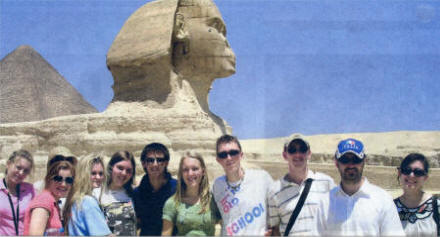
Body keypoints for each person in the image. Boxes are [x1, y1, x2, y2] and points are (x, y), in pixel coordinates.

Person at [316, 138, 405, 236]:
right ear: (336, 163)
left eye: (356, 159)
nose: (351, 165)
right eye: (345, 160)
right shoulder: (325, 202)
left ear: (364, 161)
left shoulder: (383, 199)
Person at [268, 134, 335, 236]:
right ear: (285, 155)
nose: (297, 154)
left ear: (309, 154)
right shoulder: (274, 191)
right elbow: (275, 230)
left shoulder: (327, 183)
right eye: (292, 150)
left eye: (302, 149)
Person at [212, 134, 273, 236]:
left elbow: (280, 209)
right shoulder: (217, 186)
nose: (229, 158)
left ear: (241, 155)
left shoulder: (262, 178)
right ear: (218, 160)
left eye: (233, 153)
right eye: (223, 155)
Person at [162, 152, 220, 236]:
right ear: (181, 174)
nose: (190, 173)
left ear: (203, 171)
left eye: (195, 169)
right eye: (185, 170)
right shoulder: (172, 203)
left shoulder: (213, 201)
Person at [133, 143, 177, 236]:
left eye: (160, 160)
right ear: (143, 164)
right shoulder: (137, 193)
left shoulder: (177, 189)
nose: (155, 164)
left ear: (166, 163)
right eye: (150, 160)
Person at [24, 160, 75, 235]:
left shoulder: (54, 202)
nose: (64, 184)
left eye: (69, 180)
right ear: (48, 179)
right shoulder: (44, 201)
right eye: (58, 179)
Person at [394, 153, 440, 236]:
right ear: (399, 173)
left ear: (425, 177)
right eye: (407, 170)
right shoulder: (390, 208)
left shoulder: (437, 207)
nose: (411, 175)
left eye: (418, 172)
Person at [66, 156, 111, 236]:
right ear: (84, 174)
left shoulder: (76, 199)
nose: (98, 177)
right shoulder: (88, 201)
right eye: (93, 173)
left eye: (101, 173)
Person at [94, 151, 136, 236]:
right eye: (120, 168)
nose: (124, 173)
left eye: (128, 171)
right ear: (111, 167)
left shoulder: (134, 194)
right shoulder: (96, 194)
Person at [0, 150, 35, 236]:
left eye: (25, 171)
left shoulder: (30, 190)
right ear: (8, 164)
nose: (21, 173)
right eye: (18, 167)